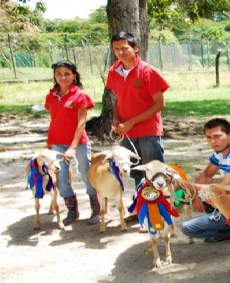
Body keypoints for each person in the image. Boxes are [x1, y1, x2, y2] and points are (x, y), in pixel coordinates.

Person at [106, 31, 169, 189]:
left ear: (135, 48)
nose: (120, 52)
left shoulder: (147, 72)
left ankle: (159, 212)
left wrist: (131, 122)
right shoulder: (114, 72)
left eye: (124, 48)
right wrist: (116, 119)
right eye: (116, 49)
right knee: (136, 174)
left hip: (148, 132)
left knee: (154, 173)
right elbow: (117, 98)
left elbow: (160, 104)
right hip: (126, 133)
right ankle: (142, 211)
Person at [181, 118, 230, 243]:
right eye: (208, 137)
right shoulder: (221, 152)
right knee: (205, 199)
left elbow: (222, 192)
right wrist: (195, 194)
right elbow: (206, 175)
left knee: (188, 228)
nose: (213, 141)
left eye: (217, 136)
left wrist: (185, 185)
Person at [45, 60, 100, 226]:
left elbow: (81, 123)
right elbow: (53, 119)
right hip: (57, 143)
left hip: (79, 143)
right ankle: (72, 211)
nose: (63, 77)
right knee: (60, 177)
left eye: (67, 74)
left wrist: (73, 147)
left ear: (74, 76)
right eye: (59, 74)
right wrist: (49, 143)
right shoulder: (51, 96)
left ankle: (96, 210)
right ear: (55, 76)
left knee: (86, 174)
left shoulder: (80, 95)